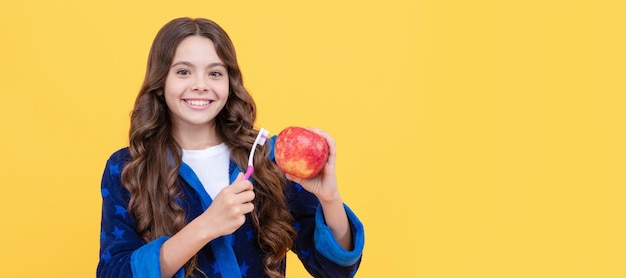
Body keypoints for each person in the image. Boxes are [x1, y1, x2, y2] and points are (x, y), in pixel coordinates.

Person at [97, 17, 365, 278]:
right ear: (160, 82)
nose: (200, 85)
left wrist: (330, 199)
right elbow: (114, 272)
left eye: (215, 73)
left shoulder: (265, 159)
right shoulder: (127, 168)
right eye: (183, 72)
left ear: (229, 82)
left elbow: (336, 269)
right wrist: (205, 226)